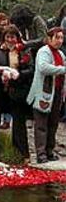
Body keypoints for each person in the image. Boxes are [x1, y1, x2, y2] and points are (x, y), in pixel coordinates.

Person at [0, 25, 34, 162]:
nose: (10, 40)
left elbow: (30, 69)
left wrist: (19, 75)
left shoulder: (24, 51)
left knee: (19, 122)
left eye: (13, 37)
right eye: (8, 37)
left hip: (17, 91)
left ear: (17, 38)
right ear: (4, 38)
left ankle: (22, 153)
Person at [27, 27, 66, 164]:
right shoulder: (43, 51)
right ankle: (41, 153)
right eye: (57, 37)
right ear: (49, 38)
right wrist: (63, 69)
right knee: (41, 124)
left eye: (61, 38)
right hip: (44, 92)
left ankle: (50, 151)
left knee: (53, 123)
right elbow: (43, 67)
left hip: (57, 92)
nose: (60, 41)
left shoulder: (61, 54)